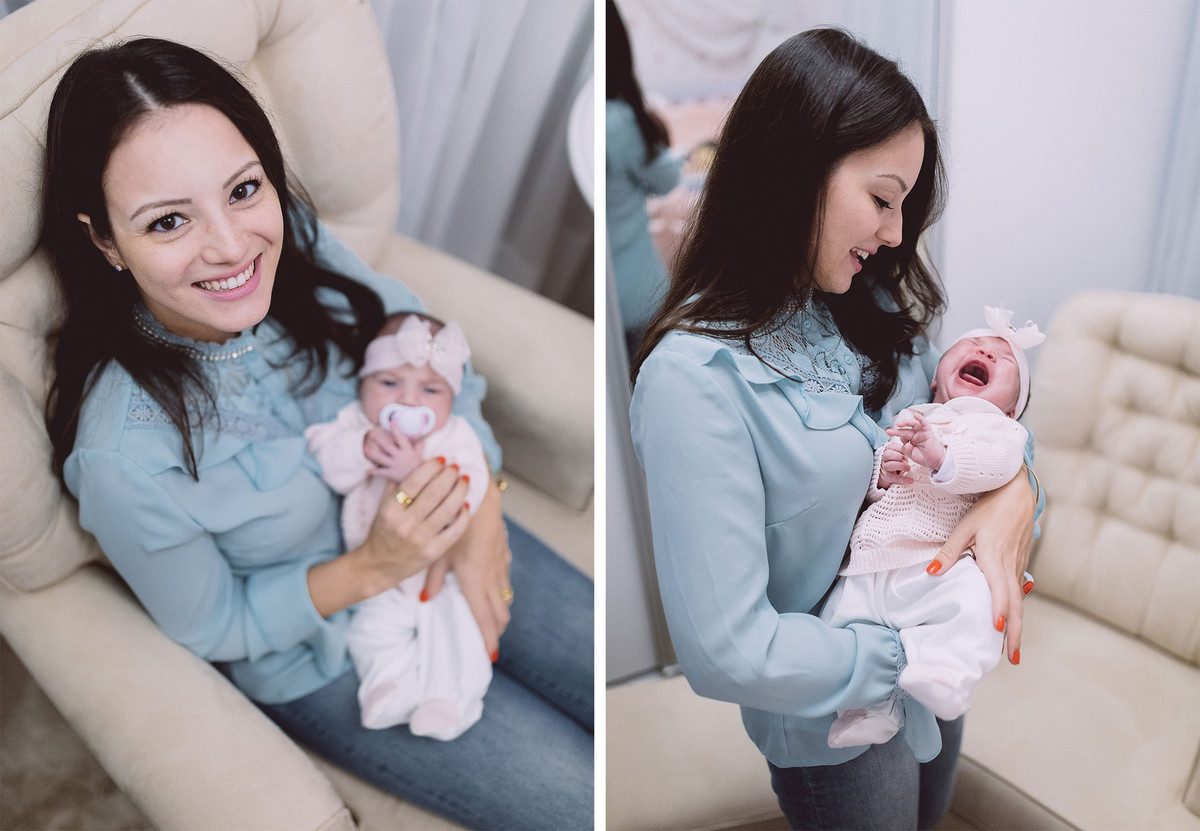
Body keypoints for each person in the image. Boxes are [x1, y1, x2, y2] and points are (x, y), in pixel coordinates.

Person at [41, 37, 591, 830]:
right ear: (104, 240)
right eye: (168, 221)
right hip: (322, 651)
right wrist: (376, 564)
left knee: (612, 694)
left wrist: (483, 514)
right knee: (579, 798)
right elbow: (214, 625)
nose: (232, 246)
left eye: (243, 189)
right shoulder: (122, 454)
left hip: (443, 516)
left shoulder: (292, 239)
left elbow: (437, 361)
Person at [629, 28, 1042, 830]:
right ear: (795, 169)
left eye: (904, 206)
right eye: (883, 199)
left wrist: (1016, 490)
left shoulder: (872, 307)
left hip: (934, 691)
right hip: (834, 728)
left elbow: (973, 431)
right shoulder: (694, 379)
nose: (895, 233)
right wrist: (913, 655)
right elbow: (725, 649)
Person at [822, 307, 1045, 749]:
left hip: (936, 562)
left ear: (1011, 409)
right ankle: (872, 709)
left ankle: (947, 673)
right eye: (973, 343)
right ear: (934, 379)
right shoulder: (914, 414)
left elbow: (997, 466)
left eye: (1005, 358)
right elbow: (873, 476)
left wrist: (943, 458)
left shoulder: (1000, 432)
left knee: (975, 600)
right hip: (875, 553)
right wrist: (883, 472)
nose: (986, 351)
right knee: (840, 617)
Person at [305, 312, 492, 739]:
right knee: (370, 631)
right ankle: (387, 689)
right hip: (378, 571)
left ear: (452, 399)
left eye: (430, 389)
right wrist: (360, 449)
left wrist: (416, 471)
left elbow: (470, 488)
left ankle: (449, 701)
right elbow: (324, 459)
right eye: (389, 383)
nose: (408, 399)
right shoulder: (355, 425)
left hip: (439, 570)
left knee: (457, 632)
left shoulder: (455, 436)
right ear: (363, 384)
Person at [606, 0, 683, 356]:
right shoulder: (620, 123)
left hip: (619, 294)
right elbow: (667, 180)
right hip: (637, 294)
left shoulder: (603, 120)